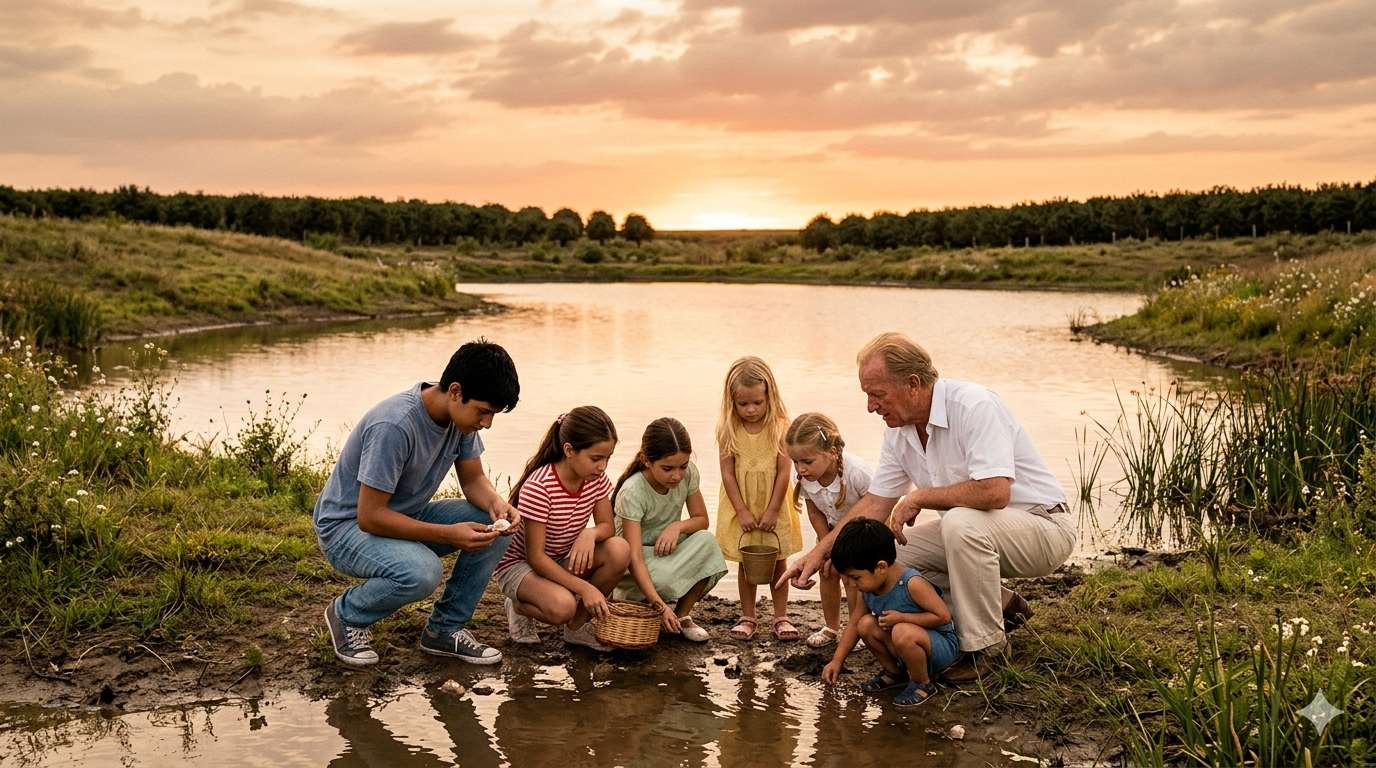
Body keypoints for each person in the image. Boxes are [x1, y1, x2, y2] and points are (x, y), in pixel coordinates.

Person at [783, 332, 1075, 683]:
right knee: (892, 559)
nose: (871, 406)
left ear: (912, 384)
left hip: (1043, 527)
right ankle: (999, 602)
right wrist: (815, 556)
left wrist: (920, 497)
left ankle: (989, 648)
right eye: (867, 396)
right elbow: (875, 503)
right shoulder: (899, 430)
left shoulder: (974, 406)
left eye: (877, 394)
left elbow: (995, 492)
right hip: (979, 532)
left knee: (959, 524)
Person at [314, 339, 521, 667]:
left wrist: (497, 504)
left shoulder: (460, 419)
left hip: (400, 515)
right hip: (346, 528)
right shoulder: (394, 425)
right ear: (455, 391)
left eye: (493, 415)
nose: (487, 423)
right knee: (423, 572)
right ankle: (347, 615)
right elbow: (369, 517)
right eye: (483, 412)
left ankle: (444, 629)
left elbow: (472, 480)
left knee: (495, 525)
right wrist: (448, 534)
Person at [495, 406, 631, 651]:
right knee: (563, 607)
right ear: (569, 450)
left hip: (559, 558)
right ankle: (516, 606)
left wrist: (589, 533)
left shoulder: (596, 479)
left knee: (619, 550)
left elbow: (607, 527)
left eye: (608, 458)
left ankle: (577, 629)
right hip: (520, 565)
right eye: (595, 458)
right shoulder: (540, 487)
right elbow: (535, 557)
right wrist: (585, 588)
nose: (602, 467)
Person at [612, 418, 728, 642]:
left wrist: (678, 526)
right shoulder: (633, 492)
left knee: (708, 543)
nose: (676, 475)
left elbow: (702, 520)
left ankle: (682, 615)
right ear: (646, 461)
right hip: (633, 563)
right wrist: (660, 606)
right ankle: (647, 603)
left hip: (664, 552)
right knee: (664, 577)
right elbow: (633, 556)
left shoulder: (689, 475)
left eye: (682, 466)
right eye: (667, 468)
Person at [822, 518, 959, 707]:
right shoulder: (868, 589)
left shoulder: (912, 583)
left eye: (855, 577)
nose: (851, 585)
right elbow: (854, 623)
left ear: (881, 567)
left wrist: (902, 618)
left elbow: (943, 617)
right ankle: (895, 673)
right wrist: (837, 661)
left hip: (938, 648)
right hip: (904, 646)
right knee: (865, 624)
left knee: (902, 631)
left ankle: (923, 683)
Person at [714, 356, 802, 641]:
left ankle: (781, 616)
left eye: (757, 403)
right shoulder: (729, 429)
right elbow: (727, 474)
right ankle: (748, 615)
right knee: (745, 560)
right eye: (743, 404)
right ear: (732, 402)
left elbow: (783, 472)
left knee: (778, 559)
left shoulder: (779, 428)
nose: (751, 410)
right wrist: (741, 511)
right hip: (743, 504)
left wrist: (774, 509)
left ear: (769, 397)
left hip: (772, 503)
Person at [785, 412, 873, 648]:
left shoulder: (857, 473)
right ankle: (831, 627)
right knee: (827, 571)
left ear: (832, 452)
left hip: (862, 536)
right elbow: (814, 510)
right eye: (795, 462)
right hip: (831, 533)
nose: (800, 468)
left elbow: (880, 504)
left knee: (853, 579)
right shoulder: (806, 477)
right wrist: (826, 546)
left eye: (807, 462)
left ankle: (856, 629)